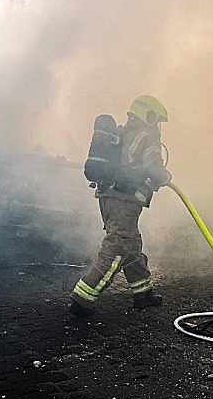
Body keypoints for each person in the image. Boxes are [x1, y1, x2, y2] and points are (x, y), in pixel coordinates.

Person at [69, 95, 173, 317]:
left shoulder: (123, 134)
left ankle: (143, 294)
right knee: (117, 246)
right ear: (149, 115)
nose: (158, 125)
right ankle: (83, 298)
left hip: (108, 196)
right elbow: (152, 165)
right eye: (157, 119)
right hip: (124, 200)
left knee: (131, 245)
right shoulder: (147, 136)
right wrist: (164, 176)